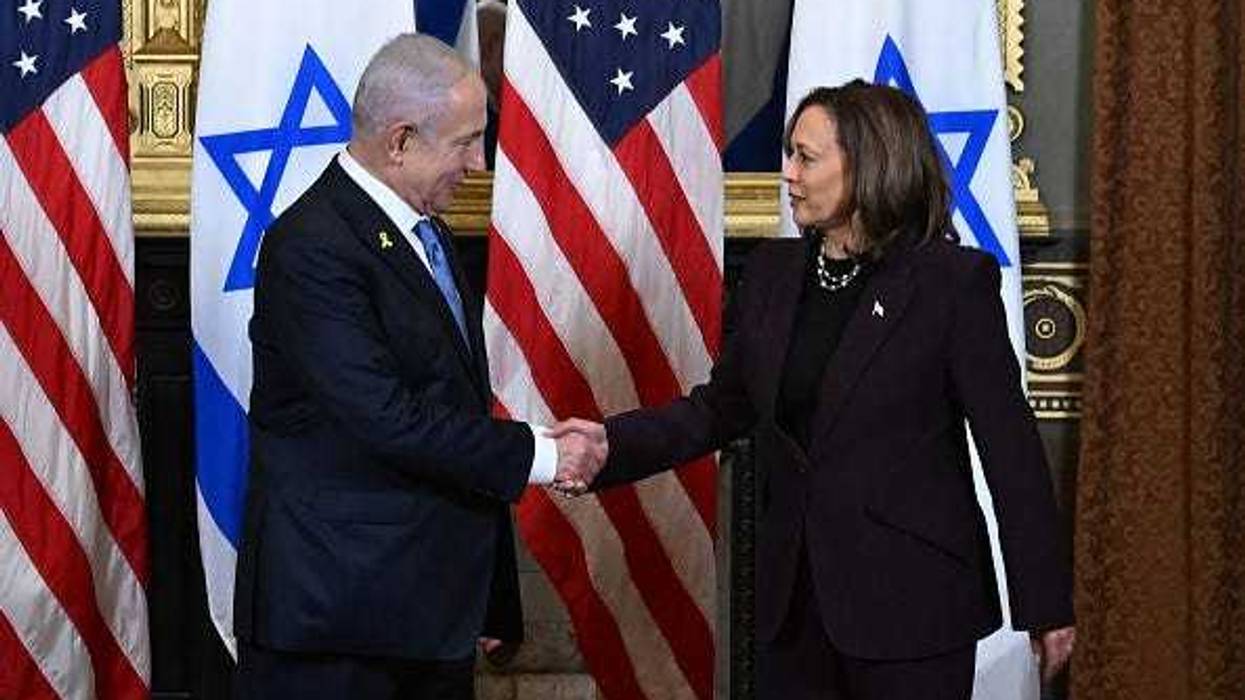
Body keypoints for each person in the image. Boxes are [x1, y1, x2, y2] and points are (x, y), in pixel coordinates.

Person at [552, 80, 1075, 700]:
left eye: (805, 156)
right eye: (789, 153)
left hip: (912, 608)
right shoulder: (774, 274)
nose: (787, 173)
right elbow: (721, 408)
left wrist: (1044, 604)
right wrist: (611, 444)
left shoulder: (949, 284)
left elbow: (1009, 449)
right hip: (795, 607)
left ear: (868, 163)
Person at [233, 34, 601, 700]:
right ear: (399, 141)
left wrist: (488, 594)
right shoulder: (312, 246)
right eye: (464, 142)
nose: (477, 162)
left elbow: (450, 407)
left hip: (425, 613)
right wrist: (544, 456)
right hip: (339, 626)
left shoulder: (424, 231)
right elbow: (386, 419)